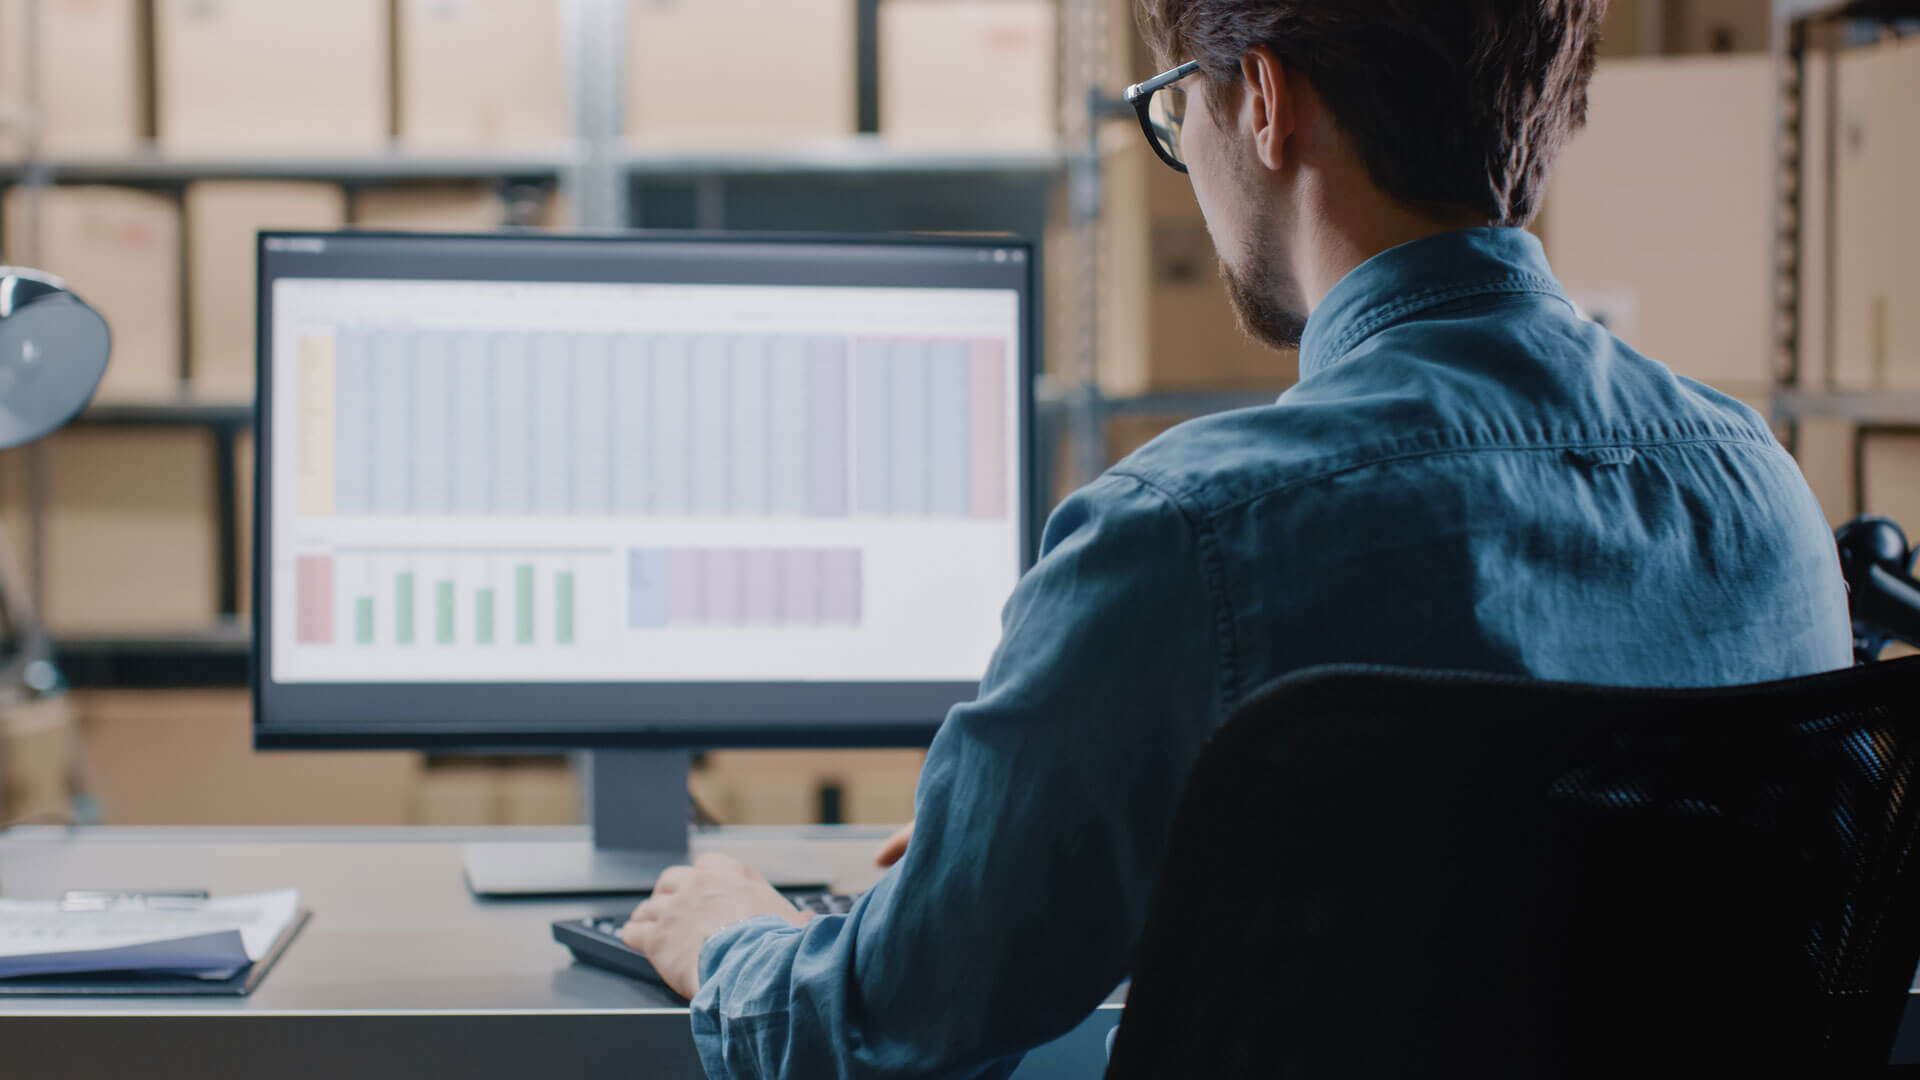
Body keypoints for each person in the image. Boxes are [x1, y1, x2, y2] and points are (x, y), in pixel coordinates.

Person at [622, 1, 1854, 1076]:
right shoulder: (1763, 494)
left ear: (1263, 101)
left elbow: (876, 1035)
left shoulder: (1185, 538)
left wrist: (733, 933)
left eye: (1174, 111)